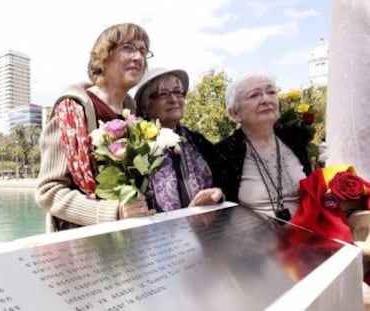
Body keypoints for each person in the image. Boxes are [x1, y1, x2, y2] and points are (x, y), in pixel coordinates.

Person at [35, 23, 155, 232]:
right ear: (103, 56)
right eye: (128, 48)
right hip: (83, 250)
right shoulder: (73, 110)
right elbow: (48, 192)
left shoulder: (135, 114)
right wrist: (113, 212)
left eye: (143, 51)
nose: (138, 57)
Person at [214, 72, 312, 222]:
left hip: (308, 235)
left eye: (271, 92)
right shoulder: (224, 153)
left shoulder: (294, 140)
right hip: (253, 242)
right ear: (234, 113)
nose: (266, 99)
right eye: (254, 95)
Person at [134, 67, 223, 212]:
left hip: (203, 230)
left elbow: (222, 185)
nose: (174, 99)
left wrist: (216, 195)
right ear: (145, 104)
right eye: (163, 94)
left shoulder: (197, 142)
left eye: (178, 92)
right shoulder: (134, 146)